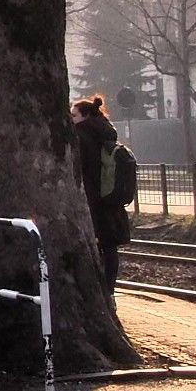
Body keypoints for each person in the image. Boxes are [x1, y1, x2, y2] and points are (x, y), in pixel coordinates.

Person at [72, 93, 135, 293]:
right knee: (109, 247)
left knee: (94, 245)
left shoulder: (81, 137)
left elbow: (84, 171)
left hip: (92, 199)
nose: (71, 120)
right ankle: (109, 291)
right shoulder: (107, 133)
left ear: (85, 116)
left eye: (74, 115)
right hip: (110, 198)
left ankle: (98, 291)